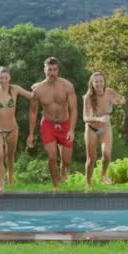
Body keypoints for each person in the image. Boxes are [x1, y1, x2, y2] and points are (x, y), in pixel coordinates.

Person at [27, 57, 78, 191]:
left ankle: (64, 171)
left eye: (54, 70)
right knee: (52, 156)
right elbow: (33, 112)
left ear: (58, 70)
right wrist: (31, 134)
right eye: (49, 69)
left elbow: (74, 109)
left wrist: (71, 130)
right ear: (44, 70)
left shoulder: (67, 86)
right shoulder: (38, 90)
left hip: (65, 124)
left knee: (66, 161)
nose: (52, 73)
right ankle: (56, 186)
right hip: (48, 124)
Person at [83, 72, 125, 190]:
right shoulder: (88, 97)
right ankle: (88, 183)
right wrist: (99, 119)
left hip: (106, 128)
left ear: (104, 82)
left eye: (101, 81)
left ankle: (103, 174)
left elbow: (121, 99)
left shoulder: (109, 92)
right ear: (92, 83)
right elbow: (85, 118)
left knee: (106, 154)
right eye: (96, 82)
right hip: (91, 129)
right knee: (91, 159)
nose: (99, 84)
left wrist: (120, 101)